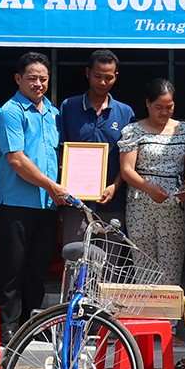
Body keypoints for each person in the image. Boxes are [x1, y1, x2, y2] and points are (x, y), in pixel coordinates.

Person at [0, 51, 69, 341]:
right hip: (15, 201)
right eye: (32, 78)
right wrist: (52, 185)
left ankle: (33, 321)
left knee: (38, 265)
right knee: (12, 265)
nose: (38, 84)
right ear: (18, 79)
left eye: (43, 78)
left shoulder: (53, 113)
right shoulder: (10, 111)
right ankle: (8, 325)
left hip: (47, 203)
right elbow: (17, 159)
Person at [117, 79, 185, 286]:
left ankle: (169, 319)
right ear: (147, 104)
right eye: (158, 107)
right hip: (140, 204)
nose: (164, 112)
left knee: (171, 266)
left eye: (169, 107)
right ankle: (147, 318)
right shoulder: (133, 131)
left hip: (174, 205)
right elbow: (126, 170)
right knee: (145, 268)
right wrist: (148, 188)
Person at [58, 49, 134, 242]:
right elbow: (60, 151)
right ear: (87, 73)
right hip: (75, 201)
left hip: (112, 201)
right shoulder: (69, 107)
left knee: (109, 264)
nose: (102, 82)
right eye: (98, 76)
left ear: (116, 77)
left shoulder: (125, 113)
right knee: (75, 259)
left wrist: (114, 187)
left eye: (108, 77)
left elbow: (129, 159)